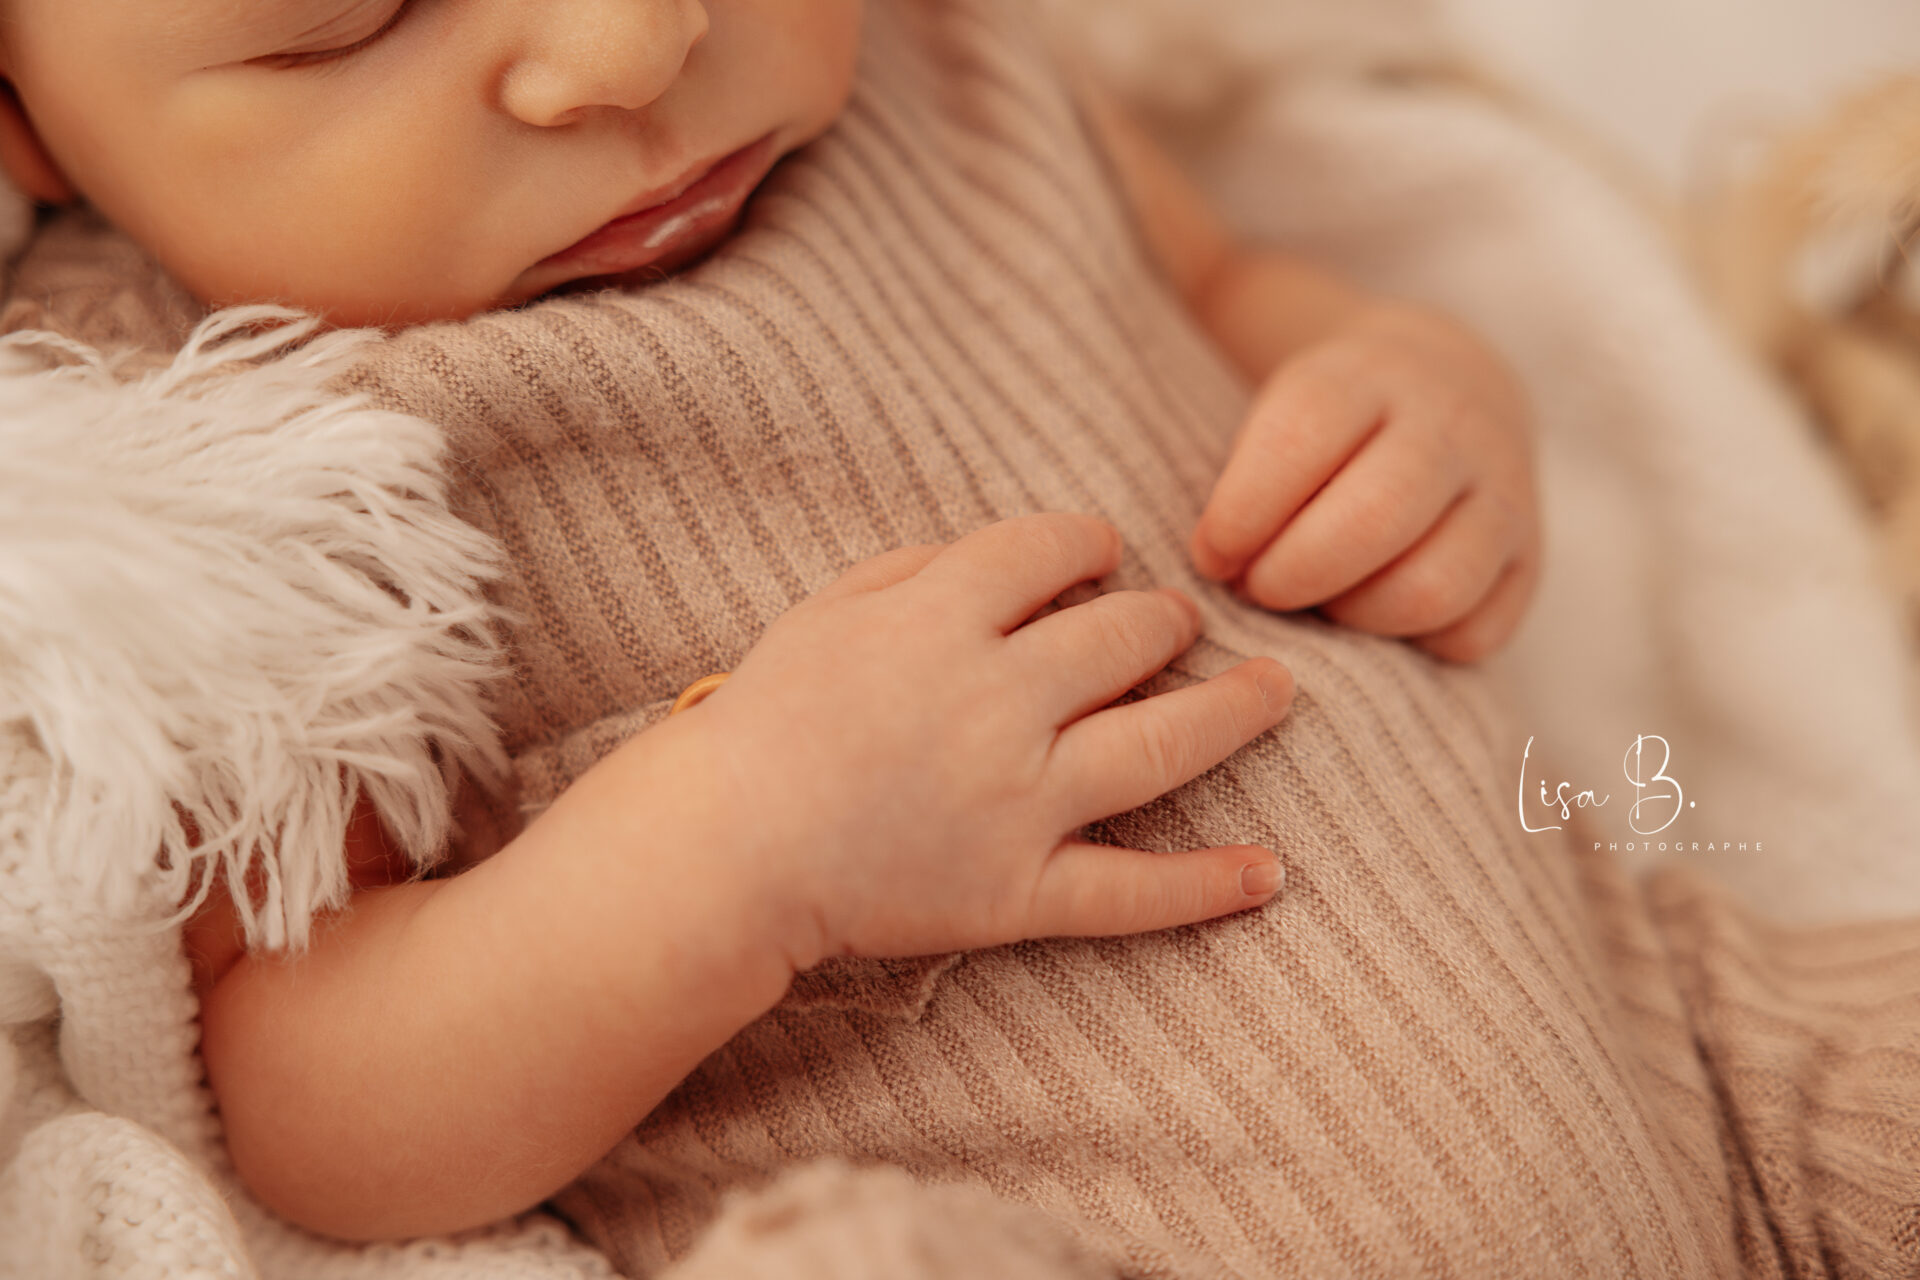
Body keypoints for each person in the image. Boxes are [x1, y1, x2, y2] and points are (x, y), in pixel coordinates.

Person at [1, 0, 1910, 1275]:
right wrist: (733, 855)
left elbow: (1237, 281)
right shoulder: (207, 430)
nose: (631, 37)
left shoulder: (945, 54)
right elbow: (314, 1101)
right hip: (1008, 1227)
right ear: (29, 126)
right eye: (348, 12)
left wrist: (1417, 391)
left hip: (1691, 1057)